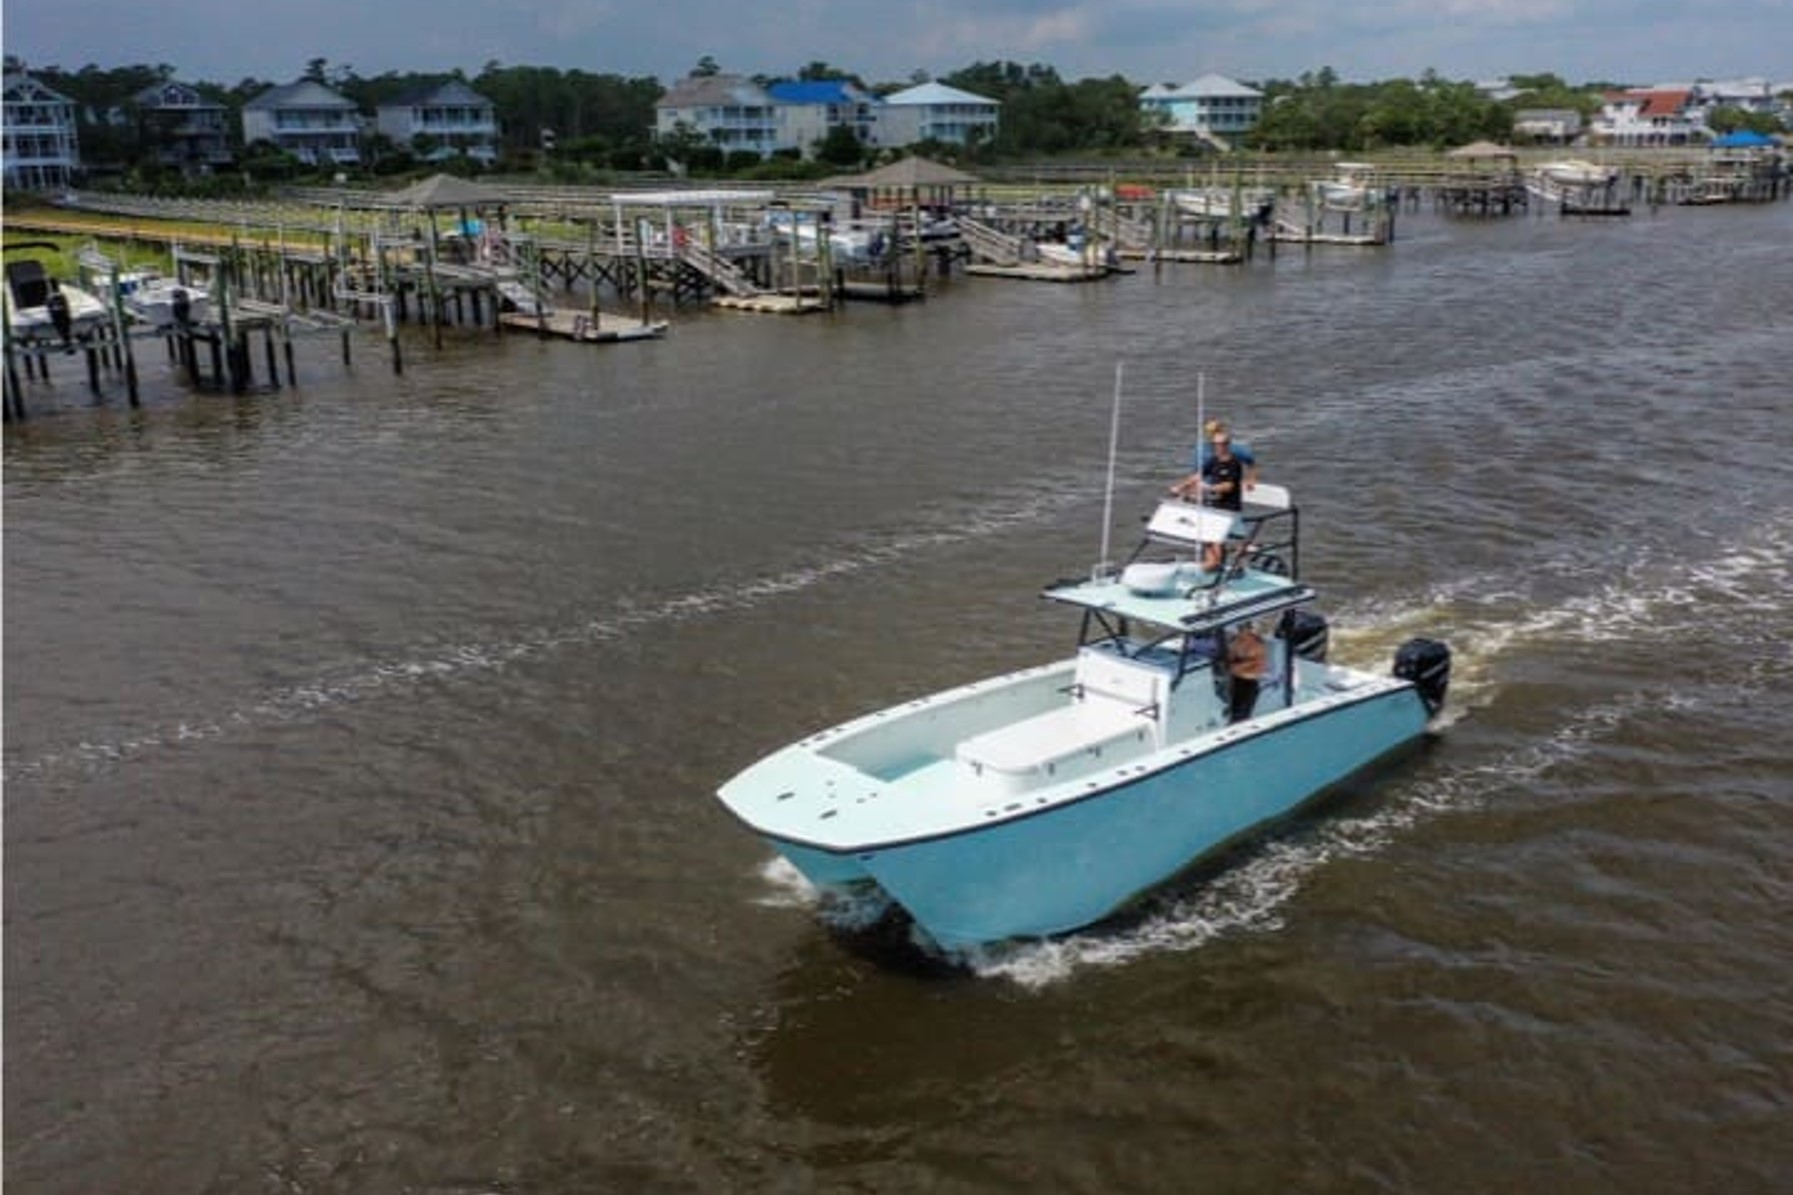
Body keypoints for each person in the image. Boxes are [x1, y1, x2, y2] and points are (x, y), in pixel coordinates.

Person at [1226, 623, 1269, 723]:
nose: (1240, 631)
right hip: (1236, 680)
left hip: (1249, 682)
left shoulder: (1257, 644)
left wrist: (1236, 666)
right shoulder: (1235, 642)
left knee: (1243, 712)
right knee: (1234, 708)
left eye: (1243, 628)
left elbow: (1255, 663)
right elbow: (1230, 658)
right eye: (1239, 629)